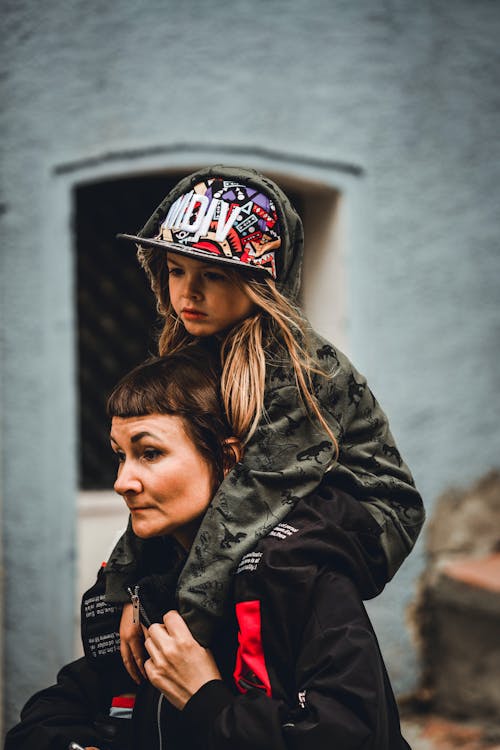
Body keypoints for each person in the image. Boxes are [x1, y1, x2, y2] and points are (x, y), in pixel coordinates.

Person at [106, 164, 424, 681]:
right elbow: (166, 483)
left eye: (213, 275)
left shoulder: (301, 369)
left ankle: (266, 697)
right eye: (176, 270)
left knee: (273, 554)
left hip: (365, 512)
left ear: (260, 281)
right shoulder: (196, 349)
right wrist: (129, 588)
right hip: (278, 498)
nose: (189, 293)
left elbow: (257, 491)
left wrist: (185, 633)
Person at [5, 348, 411, 749]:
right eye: (120, 456)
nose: (122, 481)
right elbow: (51, 714)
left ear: (228, 458)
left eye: (150, 453)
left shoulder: (295, 572)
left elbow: (351, 734)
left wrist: (207, 701)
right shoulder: (143, 585)